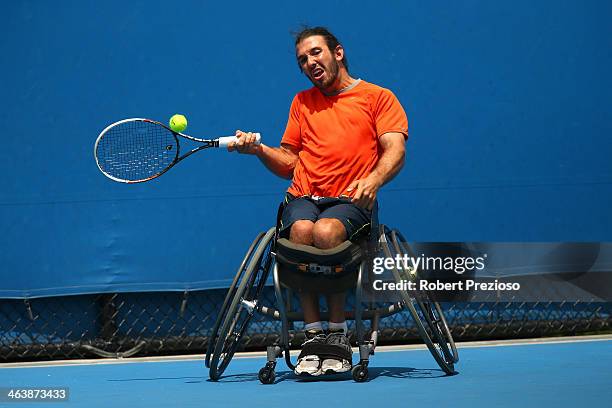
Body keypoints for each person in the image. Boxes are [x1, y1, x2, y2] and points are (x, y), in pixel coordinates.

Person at [228, 26, 408, 376]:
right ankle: (312, 336)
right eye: (301, 60)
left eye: (315, 53)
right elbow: (289, 163)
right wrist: (259, 150)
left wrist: (373, 179)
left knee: (325, 232)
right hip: (304, 196)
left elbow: (395, 150)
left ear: (337, 53)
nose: (309, 62)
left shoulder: (378, 97)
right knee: (300, 230)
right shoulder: (301, 102)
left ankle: (337, 335)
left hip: (350, 201)